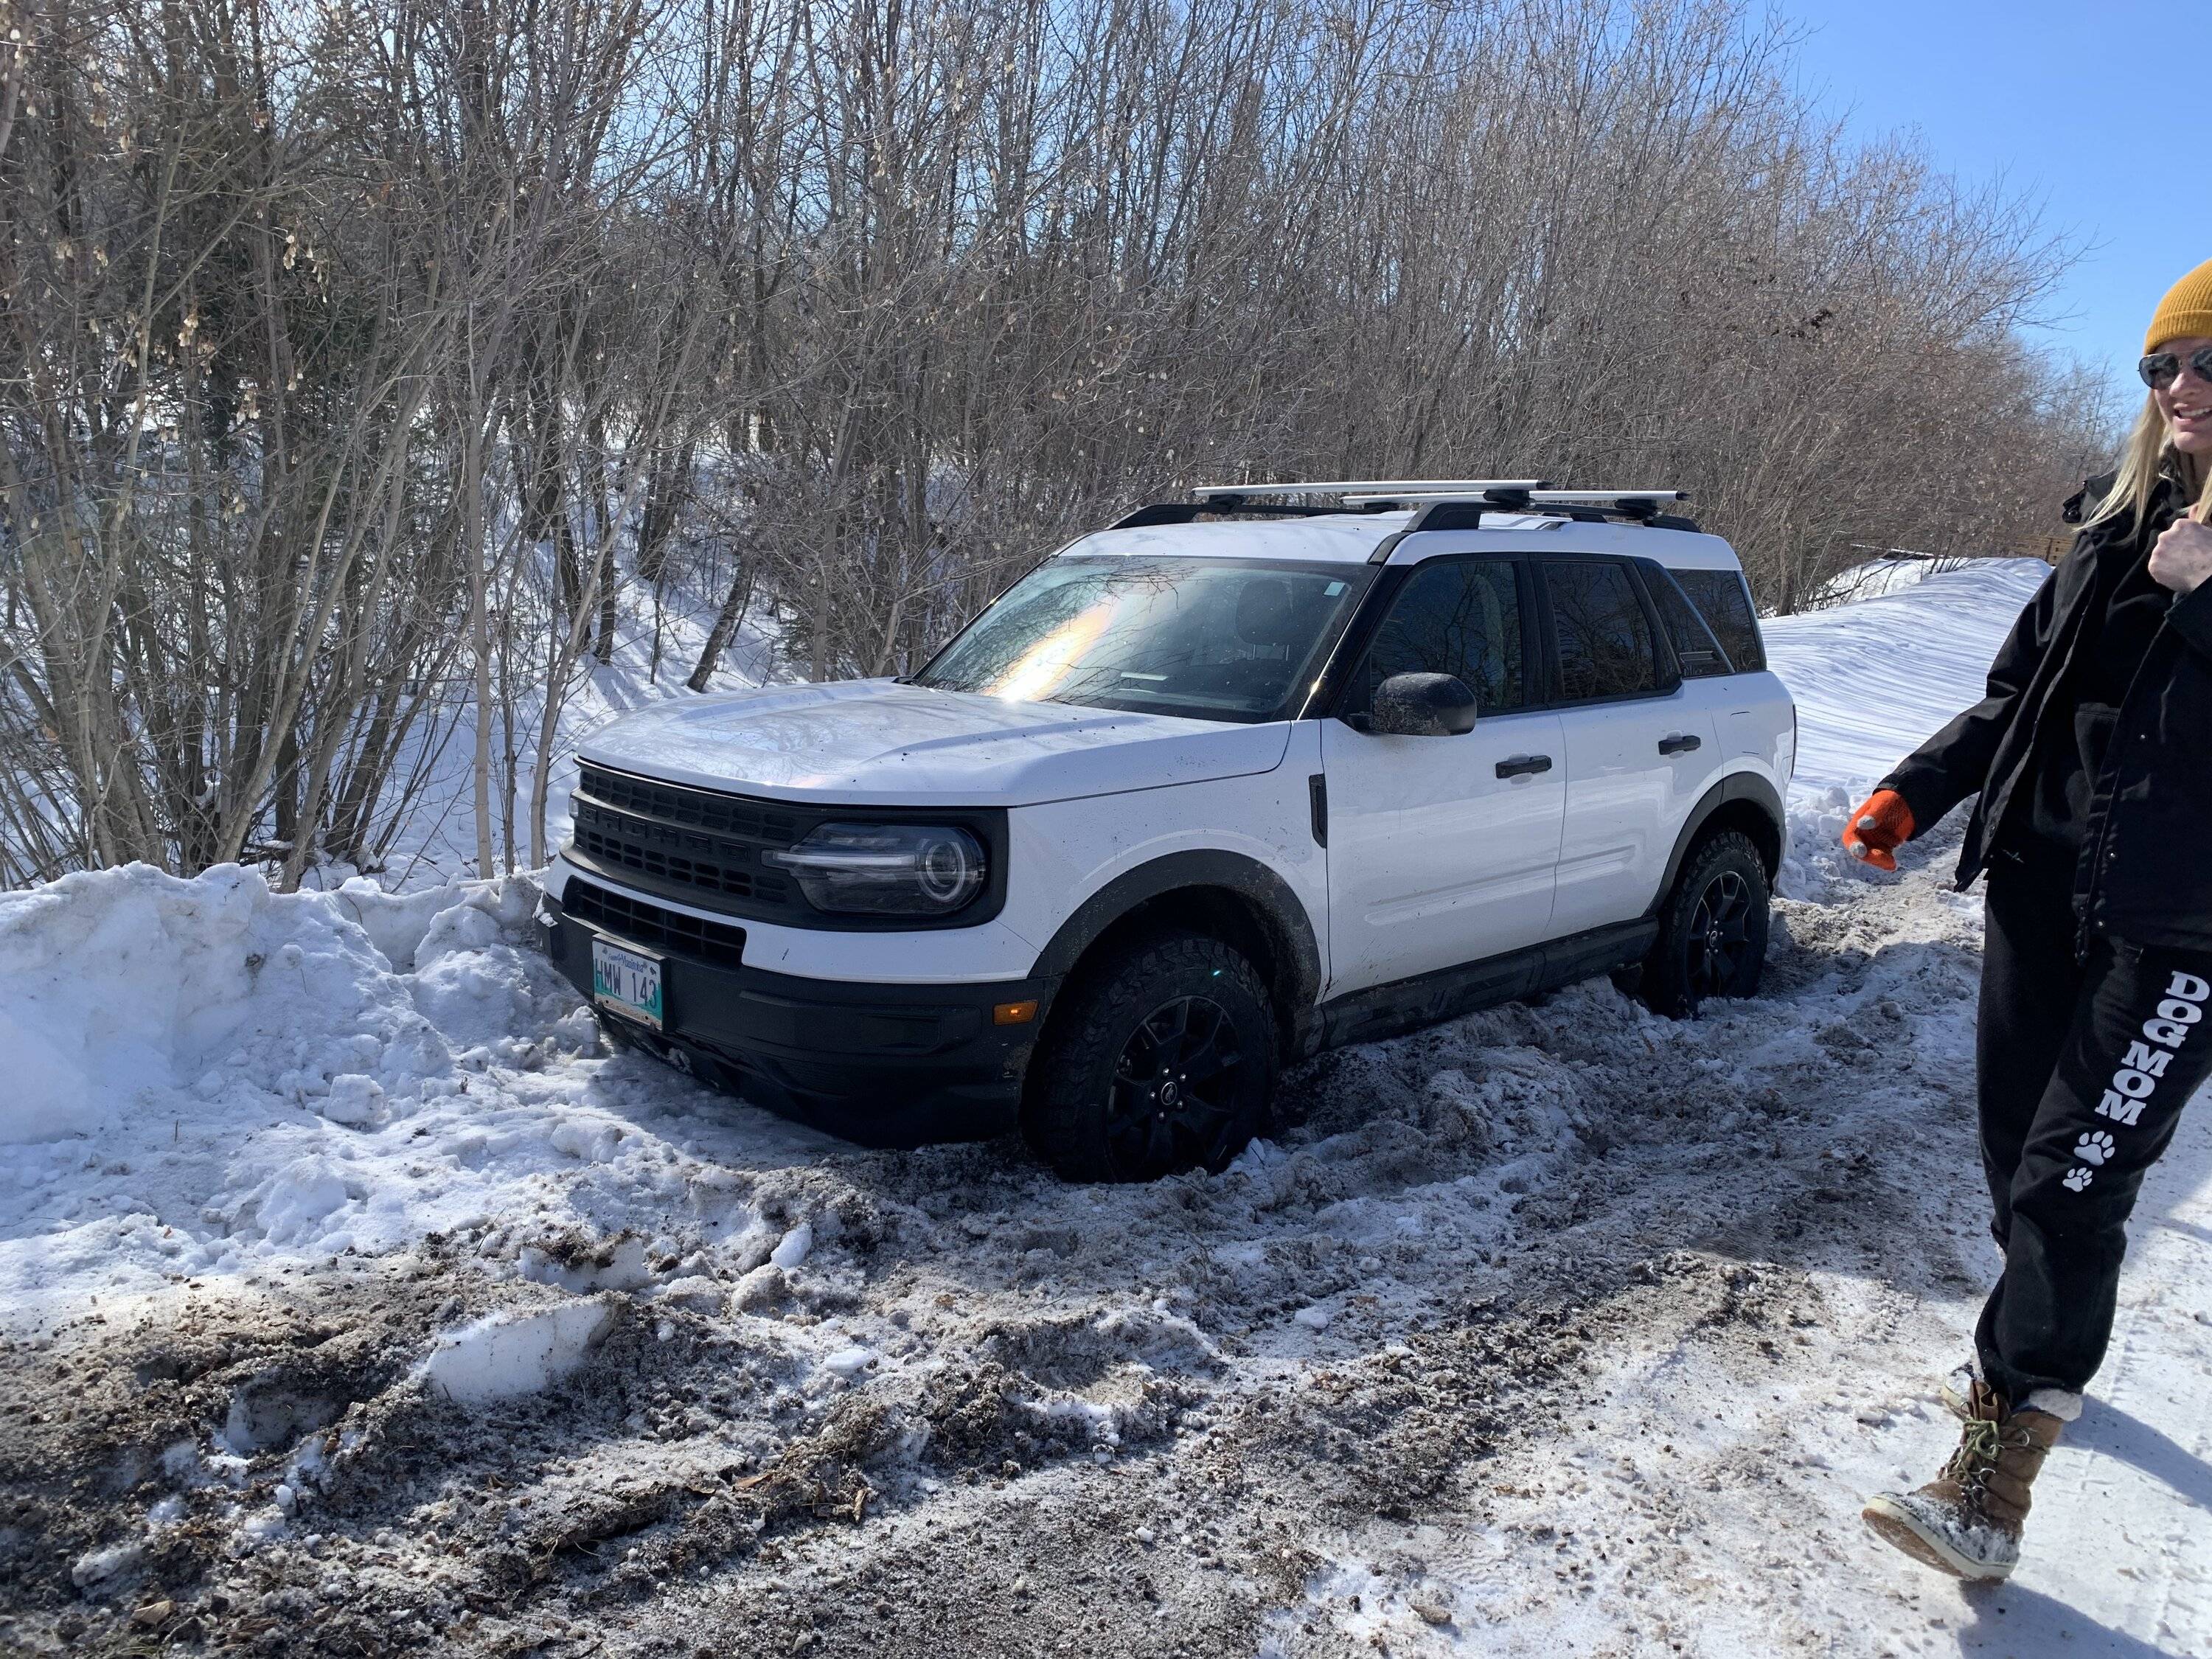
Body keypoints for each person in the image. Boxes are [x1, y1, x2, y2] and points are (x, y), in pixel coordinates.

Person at [1842, 258, 2212, 1581]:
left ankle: (1991, 1481)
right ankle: (2046, 1340)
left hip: (2182, 938)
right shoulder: (2118, 528)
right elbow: (2020, 701)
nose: (2180, 388)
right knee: (2017, 1165)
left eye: (2207, 363)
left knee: (2070, 1178)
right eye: (2163, 365)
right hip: (2044, 895)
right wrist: (1917, 788)